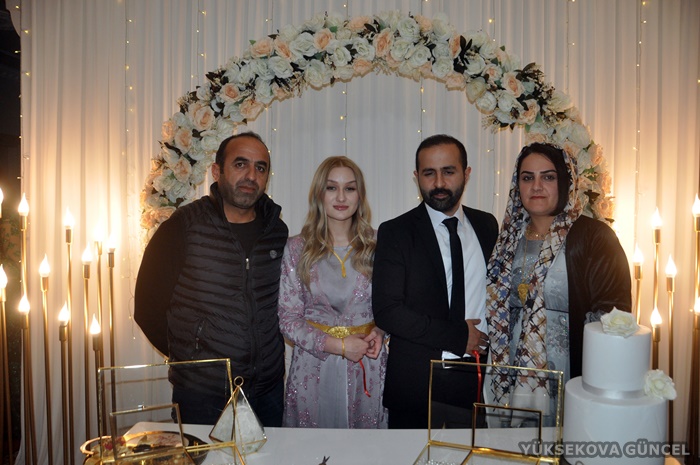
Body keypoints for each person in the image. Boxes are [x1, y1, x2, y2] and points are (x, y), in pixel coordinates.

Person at [134, 131, 289, 426]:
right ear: (217, 172)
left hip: (267, 392)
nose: (251, 176)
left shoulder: (276, 231)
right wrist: (193, 359)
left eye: (260, 168)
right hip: (202, 395)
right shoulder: (183, 227)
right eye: (240, 164)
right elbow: (147, 308)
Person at [486, 142, 631, 426]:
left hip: (571, 374)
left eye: (548, 177)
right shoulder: (507, 240)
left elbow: (612, 315)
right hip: (509, 371)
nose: (536, 186)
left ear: (565, 182)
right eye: (527, 177)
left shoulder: (594, 237)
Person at [372, 134, 498, 429]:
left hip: (477, 378)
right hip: (417, 382)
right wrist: (457, 336)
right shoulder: (395, 232)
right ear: (416, 176)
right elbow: (388, 311)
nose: (439, 183)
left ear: (466, 173)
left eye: (448, 171)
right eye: (429, 173)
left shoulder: (487, 225)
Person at [278, 156, 387, 428]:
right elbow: (288, 320)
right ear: (319, 193)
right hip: (312, 367)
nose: (341, 197)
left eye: (349, 188)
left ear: (360, 195)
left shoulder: (381, 245)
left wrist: (381, 331)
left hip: (368, 366)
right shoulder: (297, 249)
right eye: (331, 187)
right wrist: (339, 346)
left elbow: (396, 305)